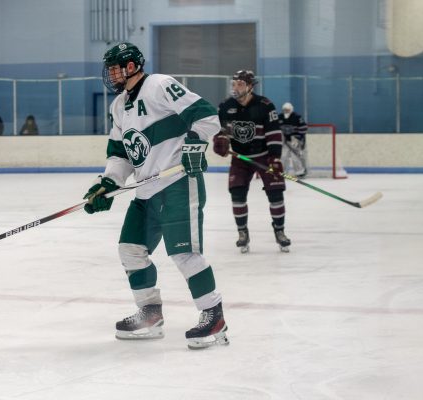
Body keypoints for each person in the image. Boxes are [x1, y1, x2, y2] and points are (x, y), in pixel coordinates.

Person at [83, 42, 228, 349]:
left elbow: (206, 116)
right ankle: (150, 313)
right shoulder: (118, 106)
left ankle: (213, 316)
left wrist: (193, 145)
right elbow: (120, 154)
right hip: (146, 191)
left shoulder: (160, 84)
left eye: (114, 68)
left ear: (132, 66)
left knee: (184, 252)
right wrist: (107, 184)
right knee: (130, 250)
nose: (110, 75)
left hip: (176, 182)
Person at [212, 70, 291, 253]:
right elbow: (221, 131)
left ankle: (280, 232)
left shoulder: (265, 105)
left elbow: (273, 132)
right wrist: (220, 141)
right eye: (234, 84)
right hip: (240, 159)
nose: (235, 88)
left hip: (264, 156)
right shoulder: (225, 106)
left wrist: (275, 158)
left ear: (250, 86)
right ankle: (242, 233)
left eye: (240, 84)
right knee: (237, 194)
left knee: (276, 194)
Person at [279, 102, 308, 177]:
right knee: (283, 156)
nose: (286, 111)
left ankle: (300, 172)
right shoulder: (280, 117)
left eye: (287, 109)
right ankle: (282, 172)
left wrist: (298, 138)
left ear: (291, 109)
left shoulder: (297, 117)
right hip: (285, 141)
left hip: (295, 141)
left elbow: (304, 128)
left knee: (295, 157)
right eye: (284, 110)